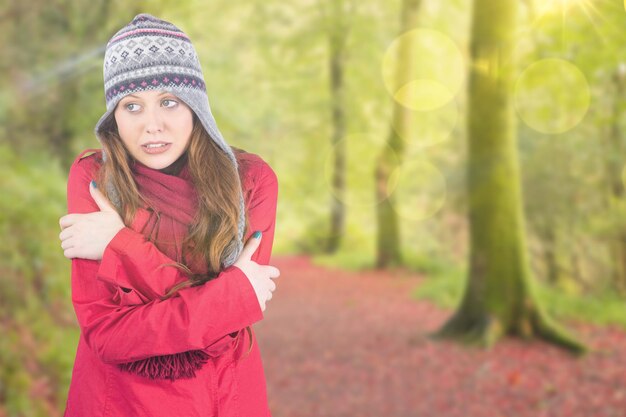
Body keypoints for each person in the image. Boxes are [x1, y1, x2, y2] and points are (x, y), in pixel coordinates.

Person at [58, 13, 280, 417]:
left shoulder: (249, 182)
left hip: (222, 397)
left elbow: (227, 334)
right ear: (114, 116)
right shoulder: (95, 178)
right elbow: (107, 334)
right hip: (118, 401)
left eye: (168, 102)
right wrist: (227, 295)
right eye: (132, 106)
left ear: (194, 105)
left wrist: (117, 244)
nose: (151, 126)